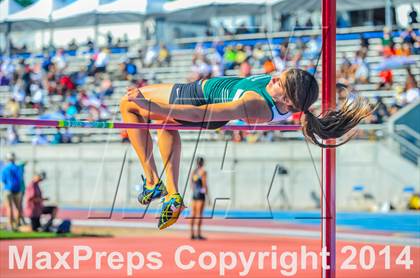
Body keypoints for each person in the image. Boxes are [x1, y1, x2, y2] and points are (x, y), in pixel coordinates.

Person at [120, 68, 371, 230]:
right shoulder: (285, 99)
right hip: (203, 96)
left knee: (128, 104)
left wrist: (150, 106)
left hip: (198, 98)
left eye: (279, 83)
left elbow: (200, 114)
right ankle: (171, 194)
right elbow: (301, 87)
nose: (274, 77)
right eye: (280, 76)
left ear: (287, 100)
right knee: (166, 127)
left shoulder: (256, 105)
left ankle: (153, 182)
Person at [1, 152, 25, 231]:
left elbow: (3, 180)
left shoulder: (5, 168)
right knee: (18, 208)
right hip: (17, 189)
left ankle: (10, 225)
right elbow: (21, 179)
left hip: (8, 189)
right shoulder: (18, 168)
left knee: (9, 208)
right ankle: (17, 225)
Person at [190, 157, 208, 240]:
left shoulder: (194, 172)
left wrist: (194, 192)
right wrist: (207, 195)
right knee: (199, 215)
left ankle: (192, 233)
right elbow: (204, 184)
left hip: (194, 195)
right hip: (200, 195)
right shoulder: (203, 172)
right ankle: (198, 234)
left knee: (193, 214)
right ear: (202, 163)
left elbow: (191, 185)